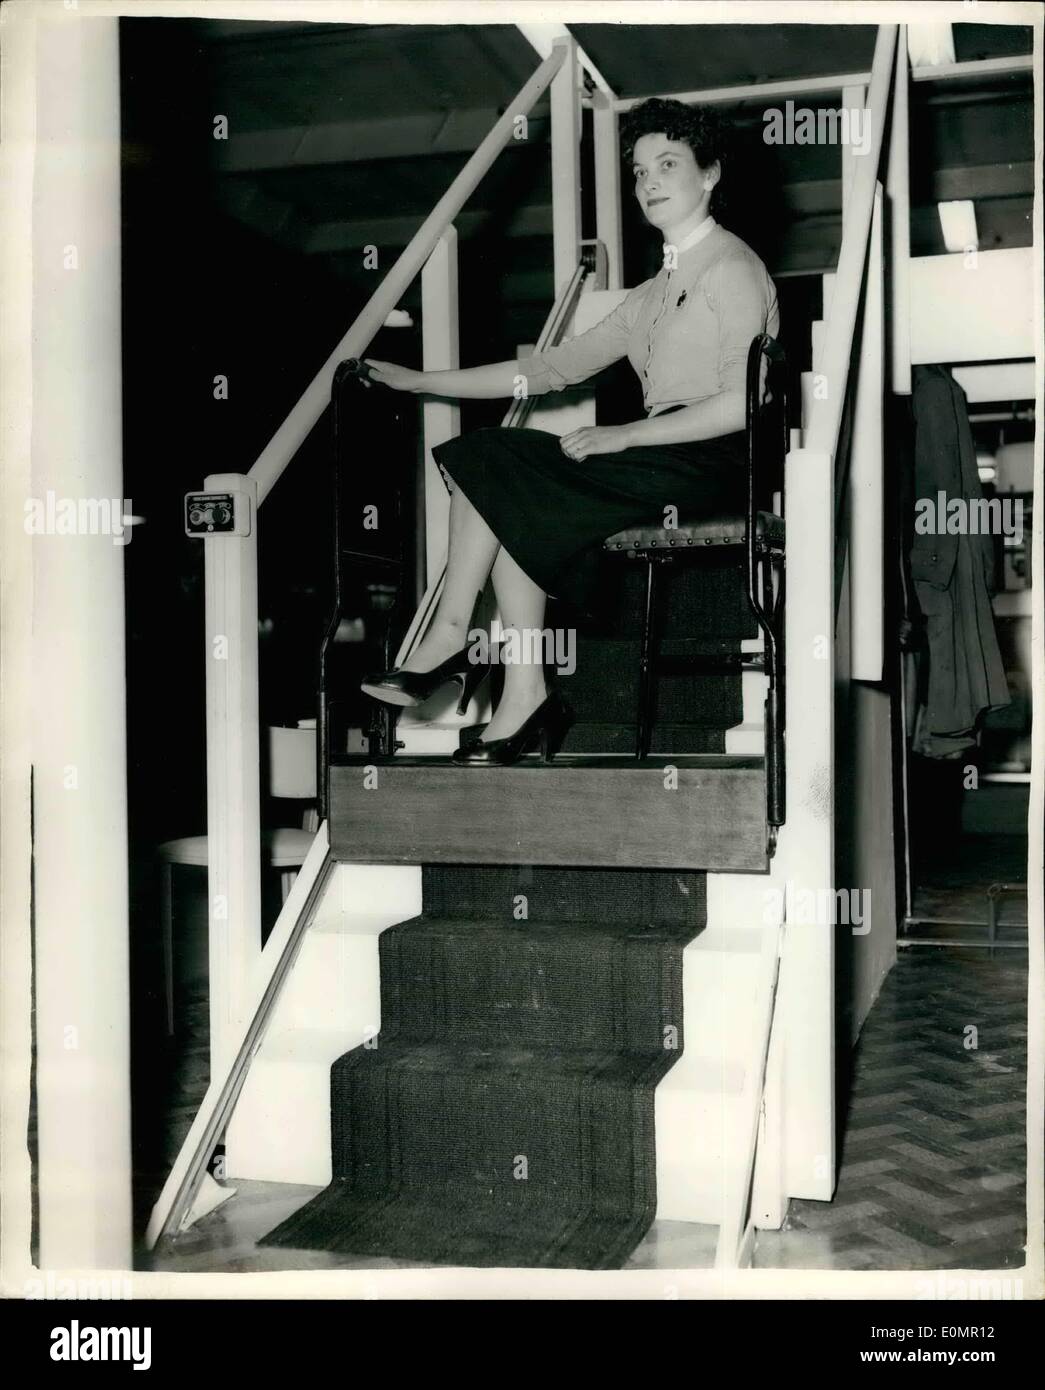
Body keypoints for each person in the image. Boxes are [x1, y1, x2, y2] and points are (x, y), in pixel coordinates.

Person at [360, 97, 779, 766]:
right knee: (489, 463)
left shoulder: (732, 268)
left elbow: (740, 407)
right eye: (639, 170)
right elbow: (548, 369)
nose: (648, 183)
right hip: (662, 452)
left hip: (717, 458)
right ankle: (520, 688)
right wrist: (420, 381)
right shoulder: (649, 293)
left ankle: (456, 642)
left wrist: (623, 437)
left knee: (500, 469)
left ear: (710, 174)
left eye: (667, 164)